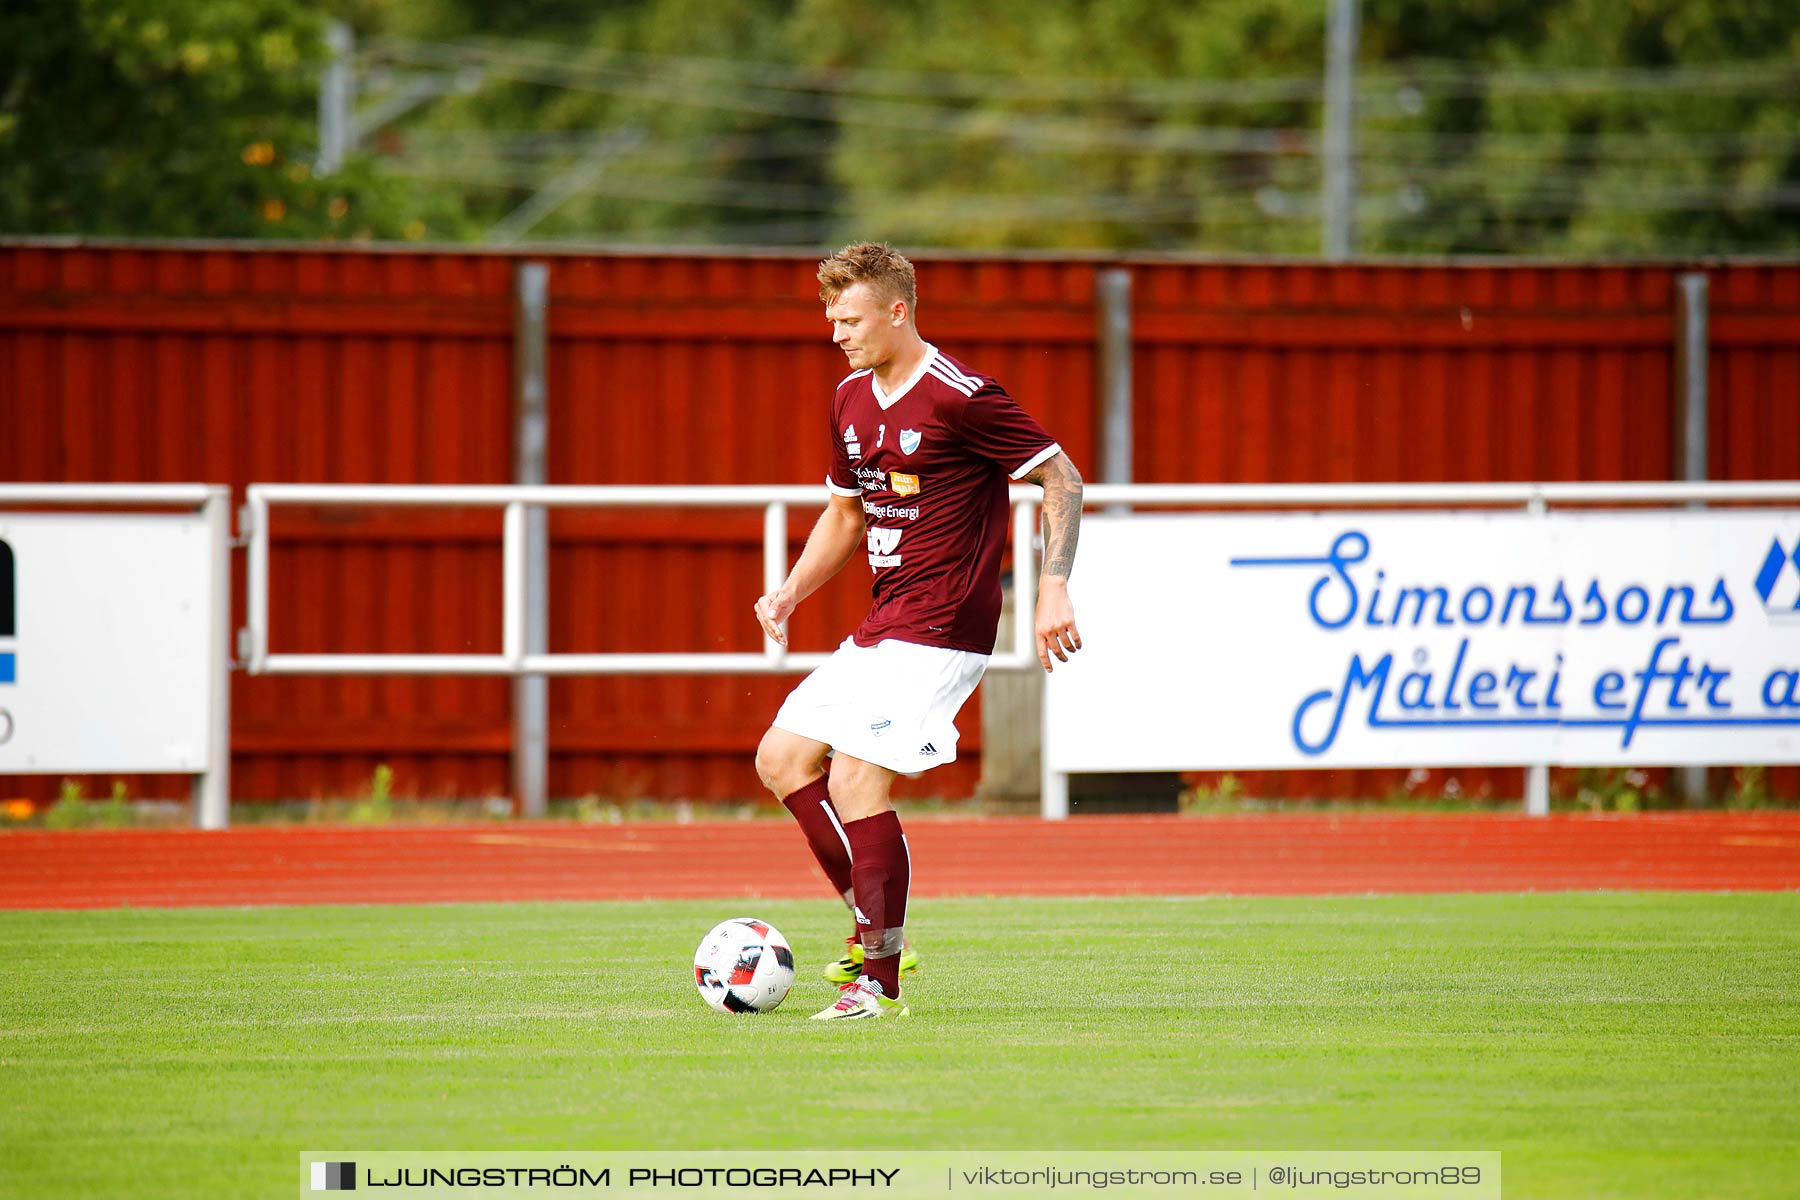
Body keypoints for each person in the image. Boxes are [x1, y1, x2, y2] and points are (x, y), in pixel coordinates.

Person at [752, 242, 1084, 1020]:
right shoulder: (849, 400)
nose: (837, 332)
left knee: (855, 778)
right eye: (830, 317)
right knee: (781, 759)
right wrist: (792, 592)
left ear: (897, 312)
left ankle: (878, 983)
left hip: (943, 623)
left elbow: (1060, 474)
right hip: (884, 620)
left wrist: (1052, 587)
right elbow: (846, 512)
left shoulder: (958, 395)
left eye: (851, 317)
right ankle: (869, 929)